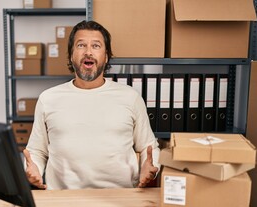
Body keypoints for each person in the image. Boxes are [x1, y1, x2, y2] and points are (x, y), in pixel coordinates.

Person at [24, 20, 160, 190]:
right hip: (63, 198)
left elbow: (149, 147)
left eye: (96, 46)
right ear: (71, 55)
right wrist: (33, 168)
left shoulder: (130, 97)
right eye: (81, 45)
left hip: (120, 196)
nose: (88, 52)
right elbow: (37, 151)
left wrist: (150, 167)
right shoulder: (48, 98)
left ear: (106, 56)